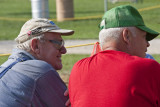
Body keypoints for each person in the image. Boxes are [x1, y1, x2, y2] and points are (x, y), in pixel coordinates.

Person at [69, 5, 160, 107]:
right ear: (127, 36)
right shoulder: (148, 68)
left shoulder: (78, 69)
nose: (147, 44)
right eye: (144, 37)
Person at [0, 18, 74, 107]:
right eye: (58, 44)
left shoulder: (4, 68)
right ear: (36, 46)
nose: (64, 50)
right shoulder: (39, 70)